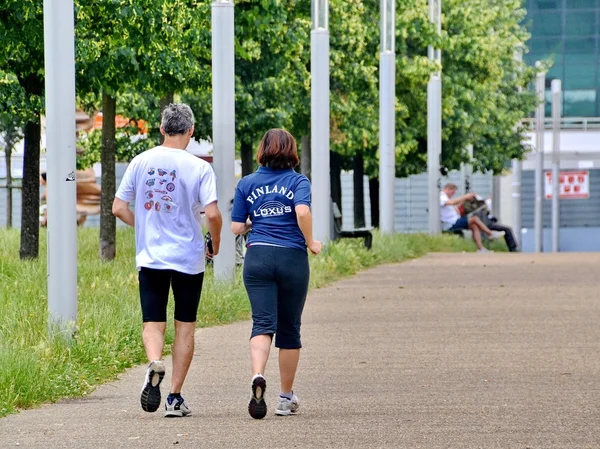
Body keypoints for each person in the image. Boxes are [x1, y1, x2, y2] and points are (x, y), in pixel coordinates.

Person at [112, 103, 222, 417]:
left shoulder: (140, 161)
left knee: (153, 322)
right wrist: (214, 243)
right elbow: (212, 213)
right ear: (190, 131)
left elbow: (118, 208)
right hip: (188, 258)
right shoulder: (200, 167)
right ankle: (174, 398)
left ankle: (153, 363)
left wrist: (143, 225)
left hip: (151, 256)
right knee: (185, 326)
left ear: (161, 129)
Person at [231, 128, 322, 419]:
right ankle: (285, 398)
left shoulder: (246, 183)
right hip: (292, 257)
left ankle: (258, 375)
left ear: (262, 150)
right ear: (292, 151)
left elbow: (235, 227)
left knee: (262, 323)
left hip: (257, 256)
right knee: (289, 329)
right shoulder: (298, 181)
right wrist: (311, 242)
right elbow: (303, 213)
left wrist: (251, 224)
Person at [440, 183, 504, 253]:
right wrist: (465, 197)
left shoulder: (446, 197)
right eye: (453, 192)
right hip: (450, 223)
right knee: (474, 219)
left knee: (474, 226)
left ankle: (480, 249)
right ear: (449, 189)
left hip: (455, 220)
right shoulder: (441, 196)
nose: (453, 194)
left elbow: (455, 205)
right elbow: (451, 202)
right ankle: (490, 233)